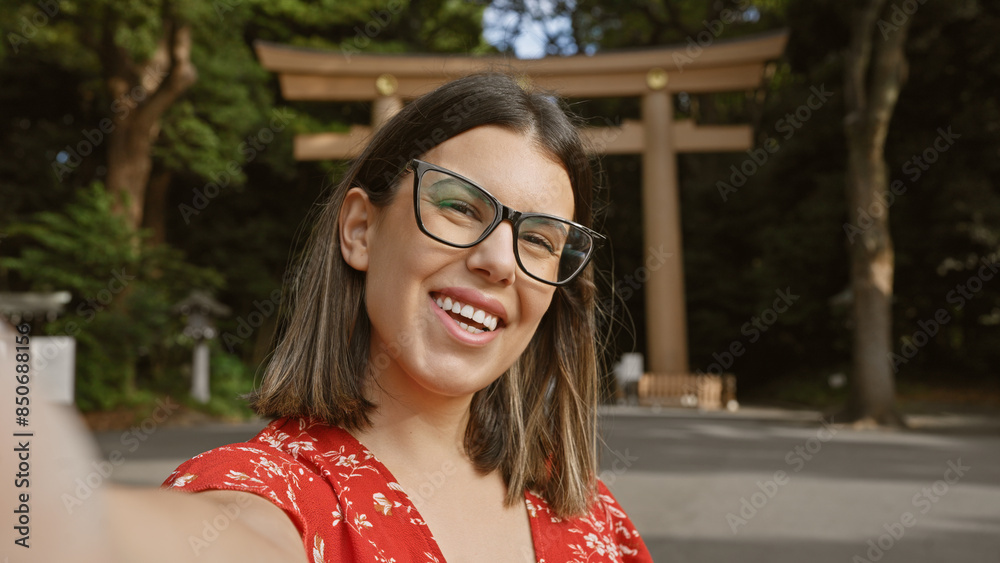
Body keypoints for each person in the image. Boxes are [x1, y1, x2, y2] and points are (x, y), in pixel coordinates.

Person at [5, 72, 651, 563]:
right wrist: (47, 503)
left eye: (538, 239)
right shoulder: (272, 492)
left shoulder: (595, 521)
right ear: (361, 230)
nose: (498, 261)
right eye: (459, 207)